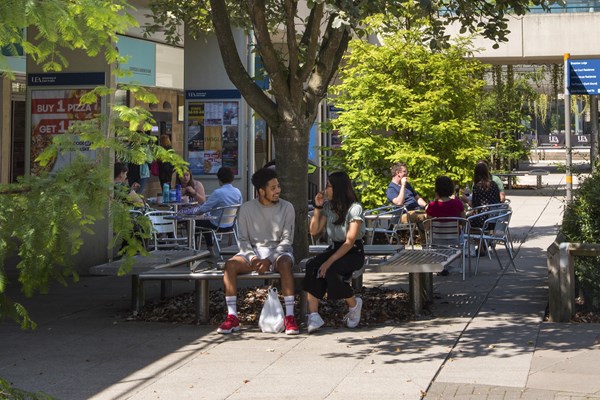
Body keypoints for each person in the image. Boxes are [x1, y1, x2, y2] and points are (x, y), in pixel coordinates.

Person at [217, 168, 299, 335]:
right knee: (230, 265)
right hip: (253, 251)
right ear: (261, 191)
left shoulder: (287, 207)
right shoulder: (246, 209)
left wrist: (269, 259)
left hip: (278, 252)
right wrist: (253, 258)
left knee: (285, 264)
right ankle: (232, 316)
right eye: (273, 188)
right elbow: (243, 240)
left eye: (278, 186)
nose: (278, 191)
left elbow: (286, 241)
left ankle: (290, 316)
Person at [303, 171, 365, 333]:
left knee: (332, 270)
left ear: (338, 188)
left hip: (352, 251)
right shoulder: (328, 207)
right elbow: (314, 231)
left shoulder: (354, 209)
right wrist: (317, 207)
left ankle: (353, 304)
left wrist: (328, 262)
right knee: (312, 266)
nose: (325, 190)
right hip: (335, 248)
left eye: (328, 186)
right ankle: (314, 315)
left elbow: (350, 241)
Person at [179, 167, 242, 256]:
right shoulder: (238, 192)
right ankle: (209, 249)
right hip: (230, 225)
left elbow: (203, 208)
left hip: (216, 224)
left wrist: (196, 214)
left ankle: (195, 250)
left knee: (195, 222)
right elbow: (239, 208)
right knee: (205, 220)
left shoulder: (218, 193)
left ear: (219, 178)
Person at [426, 175, 467, 275]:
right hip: (455, 238)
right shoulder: (457, 203)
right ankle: (449, 265)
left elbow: (427, 225)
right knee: (462, 235)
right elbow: (463, 221)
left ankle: (441, 264)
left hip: (437, 238)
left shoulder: (432, 206)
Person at [386, 162, 428, 239]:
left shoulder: (408, 185)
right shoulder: (391, 189)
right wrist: (403, 186)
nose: (407, 173)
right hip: (403, 214)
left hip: (416, 210)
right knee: (423, 216)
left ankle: (435, 241)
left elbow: (417, 198)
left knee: (434, 213)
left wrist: (426, 206)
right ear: (398, 173)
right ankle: (425, 244)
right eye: (405, 171)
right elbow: (399, 203)